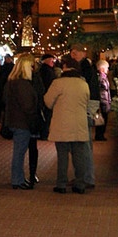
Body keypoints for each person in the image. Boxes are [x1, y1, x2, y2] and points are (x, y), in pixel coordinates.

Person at [44, 62, 94, 194]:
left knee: (62, 156)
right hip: (79, 124)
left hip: (62, 125)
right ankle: (80, 184)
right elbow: (87, 101)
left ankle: (61, 184)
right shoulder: (84, 84)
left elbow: (48, 102)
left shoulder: (58, 83)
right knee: (79, 156)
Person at [5, 55, 41, 189]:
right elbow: (28, 106)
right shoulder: (22, 84)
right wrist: (33, 120)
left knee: (19, 152)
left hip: (15, 120)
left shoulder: (12, 82)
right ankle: (17, 180)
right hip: (22, 122)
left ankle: (18, 178)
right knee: (19, 153)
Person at [93, 59, 112, 141]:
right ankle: (99, 135)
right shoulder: (100, 78)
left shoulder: (103, 77)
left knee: (104, 118)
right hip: (103, 100)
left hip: (105, 99)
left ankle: (100, 134)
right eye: (107, 68)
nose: (108, 70)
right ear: (102, 68)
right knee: (102, 118)